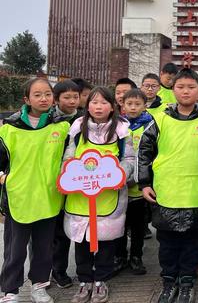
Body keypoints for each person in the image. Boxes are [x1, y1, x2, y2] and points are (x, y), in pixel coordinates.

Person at [138, 68, 198, 303]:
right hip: (165, 189)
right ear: (172, 90)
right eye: (181, 87)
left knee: (193, 240)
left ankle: (187, 280)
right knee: (166, 241)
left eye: (191, 87)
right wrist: (144, 182)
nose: (186, 91)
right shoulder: (159, 118)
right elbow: (144, 152)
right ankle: (168, 281)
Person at [0, 78, 71, 303]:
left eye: (47, 94)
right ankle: (10, 291)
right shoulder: (9, 128)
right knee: (15, 250)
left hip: (49, 198)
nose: (43, 99)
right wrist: (3, 178)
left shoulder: (62, 126)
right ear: (26, 99)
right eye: (37, 95)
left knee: (43, 249)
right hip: (19, 197)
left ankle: (39, 286)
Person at [64, 87, 135, 303]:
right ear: (87, 106)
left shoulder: (121, 130)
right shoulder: (77, 128)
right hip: (80, 196)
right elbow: (68, 157)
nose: (98, 106)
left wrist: (118, 175)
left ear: (112, 106)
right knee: (82, 242)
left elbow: (129, 159)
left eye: (104, 102)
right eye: (94, 102)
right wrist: (68, 175)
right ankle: (84, 281)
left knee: (105, 243)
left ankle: (100, 281)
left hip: (109, 196)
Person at [114, 89, 152, 276]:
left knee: (138, 225)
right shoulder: (117, 125)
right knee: (119, 223)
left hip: (139, 186)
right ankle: (119, 256)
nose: (133, 107)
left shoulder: (150, 125)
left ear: (145, 106)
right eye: (129, 104)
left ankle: (136, 257)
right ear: (122, 105)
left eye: (137, 104)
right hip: (119, 185)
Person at [51, 80, 82, 289]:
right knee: (47, 232)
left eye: (75, 97)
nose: (72, 101)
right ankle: (46, 272)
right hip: (50, 181)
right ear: (57, 100)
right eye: (67, 97)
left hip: (76, 181)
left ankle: (60, 270)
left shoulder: (83, 120)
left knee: (65, 230)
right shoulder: (47, 120)